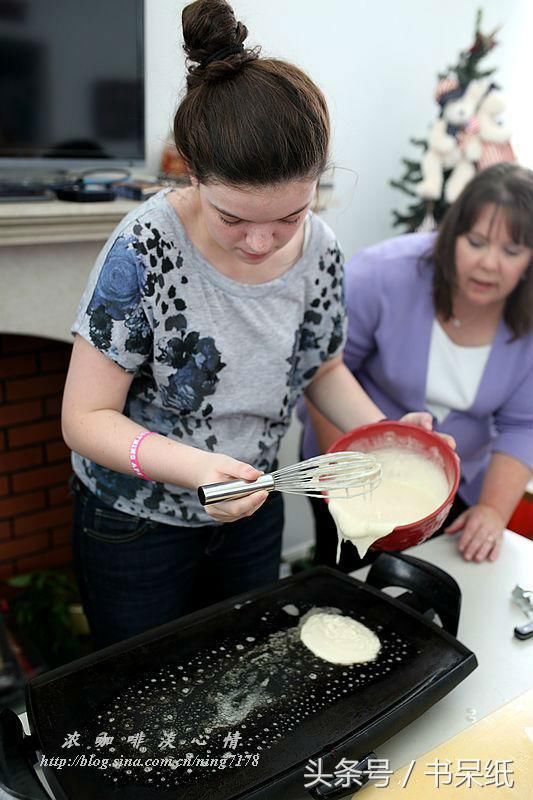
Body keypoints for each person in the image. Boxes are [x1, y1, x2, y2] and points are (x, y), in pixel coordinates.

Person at [62, 0, 433, 649]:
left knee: (241, 677)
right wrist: (194, 469)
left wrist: (390, 437)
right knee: (144, 692)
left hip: (254, 512)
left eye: (289, 215)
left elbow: (322, 370)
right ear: (194, 173)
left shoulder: (319, 248)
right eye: (233, 219)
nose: (261, 243)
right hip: (137, 524)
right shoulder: (143, 249)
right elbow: (84, 418)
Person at [300, 162, 533, 571]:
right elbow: (324, 373)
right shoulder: (382, 274)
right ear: (450, 236)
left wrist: (493, 511)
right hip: (347, 460)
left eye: (511, 251)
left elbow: (523, 425)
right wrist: (343, 477)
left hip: (452, 486)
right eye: (476, 242)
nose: (489, 264)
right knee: (345, 580)